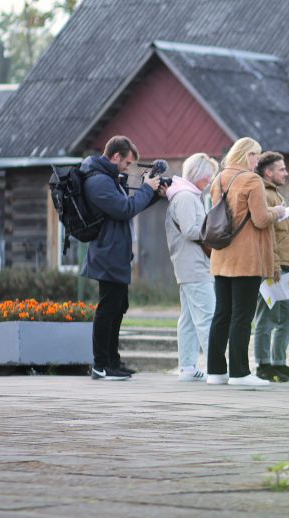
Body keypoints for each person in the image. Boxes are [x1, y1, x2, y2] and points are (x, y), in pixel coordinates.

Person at [206, 137, 286, 387]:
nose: (257, 160)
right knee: (242, 316)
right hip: (246, 258)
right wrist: (279, 212)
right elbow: (261, 220)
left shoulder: (219, 179)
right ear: (246, 155)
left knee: (222, 314)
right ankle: (240, 372)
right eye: (256, 155)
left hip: (222, 255)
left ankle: (216, 372)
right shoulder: (252, 180)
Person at [82, 135, 163, 381]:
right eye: (127, 163)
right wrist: (147, 189)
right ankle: (100, 365)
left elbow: (128, 206)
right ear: (116, 156)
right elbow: (124, 209)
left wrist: (154, 193)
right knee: (108, 308)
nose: (127, 167)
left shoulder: (108, 178)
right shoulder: (98, 181)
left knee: (118, 307)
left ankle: (113, 362)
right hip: (107, 252)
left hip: (115, 252)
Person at [165, 153, 218, 382]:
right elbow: (190, 230)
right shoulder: (186, 196)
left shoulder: (184, 194)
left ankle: (187, 366)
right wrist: (214, 230)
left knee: (188, 318)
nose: (209, 182)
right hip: (194, 265)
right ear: (198, 174)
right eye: (208, 177)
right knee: (207, 316)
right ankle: (216, 367)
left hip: (188, 264)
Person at [253, 151, 289, 383]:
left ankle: (279, 363)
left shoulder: (277, 194)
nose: (285, 172)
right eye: (281, 169)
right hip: (272, 266)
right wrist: (271, 265)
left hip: (284, 265)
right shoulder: (263, 193)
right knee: (267, 315)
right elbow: (265, 233)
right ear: (268, 172)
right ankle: (263, 365)